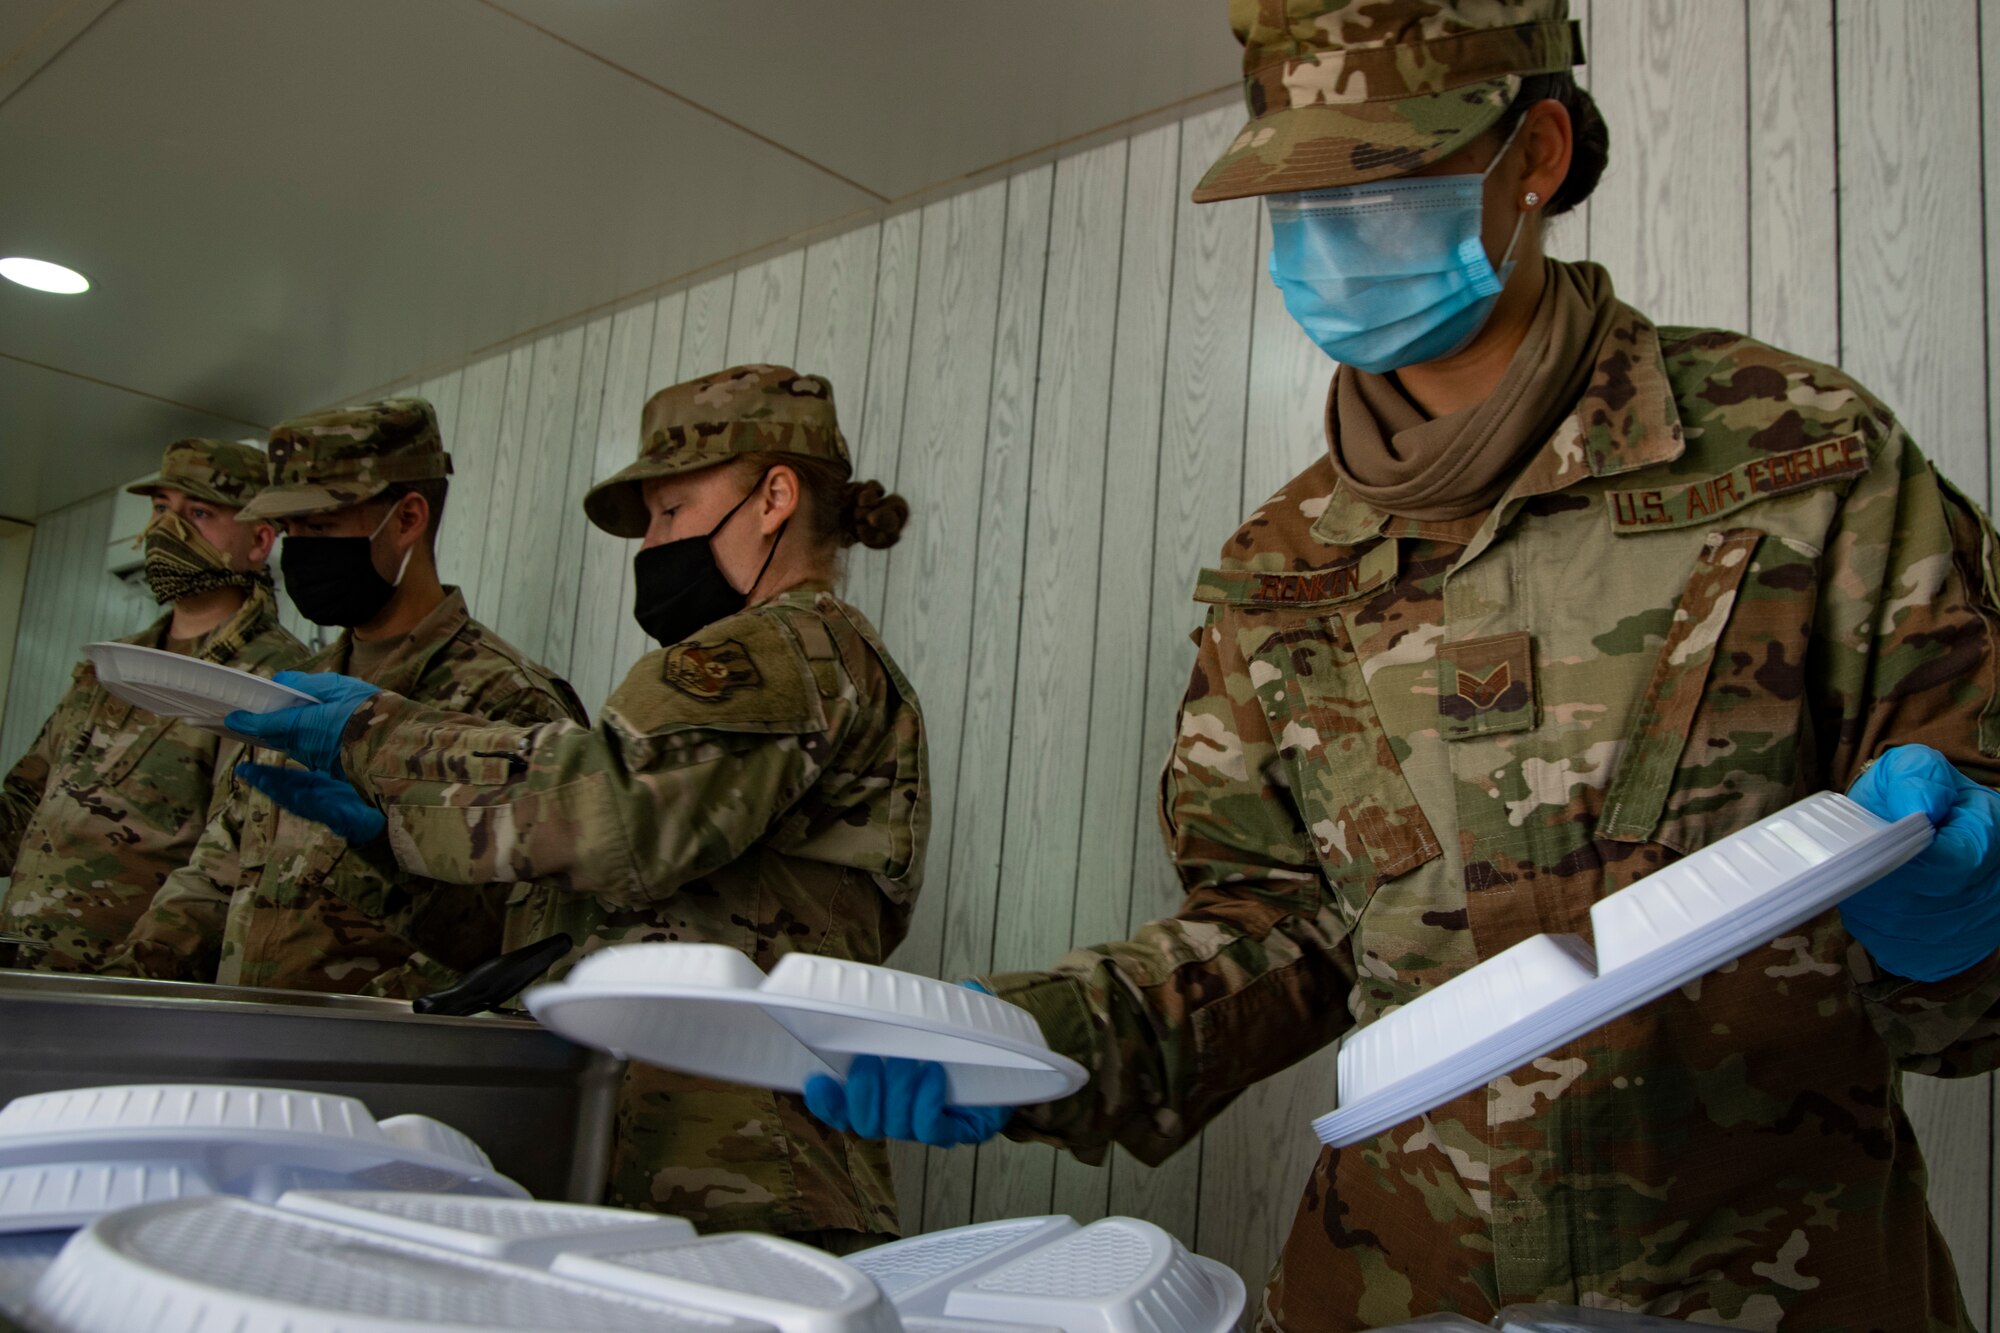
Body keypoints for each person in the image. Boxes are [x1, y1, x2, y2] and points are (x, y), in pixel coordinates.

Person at [796, 2, 2000, 1330]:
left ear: (1531, 152)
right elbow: (1274, 932)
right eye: (1291, 189)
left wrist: (1962, 915)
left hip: (1779, 1288)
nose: (1323, 234)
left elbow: (1964, 873)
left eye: (1374, 175)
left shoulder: (1802, 457)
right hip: (1398, 1293)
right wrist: (1020, 1042)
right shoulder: (1277, 569)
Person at [218, 365, 927, 1252]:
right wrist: (392, 854)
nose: (650, 545)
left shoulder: (783, 648)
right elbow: (562, 931)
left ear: (775, 496)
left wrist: (376, 735)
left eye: (672, 513)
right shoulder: (782, 659)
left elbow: (612, 817)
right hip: (675, 1159)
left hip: (743, 1182)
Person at [108, 399, 585, 997]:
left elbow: (522, 935)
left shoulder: (505, 702)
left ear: (408, 518)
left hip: (377, 1066)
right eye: (291, 531)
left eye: (322, 527)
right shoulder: (289, 690)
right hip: (239, 1047)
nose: (301, 551)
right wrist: (125, 988)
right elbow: (216, 871)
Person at [0, 438, 306, 972]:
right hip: (26, 971)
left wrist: (130, 985)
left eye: (200, 512)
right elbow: (26, 804)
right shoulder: (112, 664)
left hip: (127, 993)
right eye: (162, 508)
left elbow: (231, 863)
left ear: (260, 540)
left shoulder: (277, 679)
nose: (168, 528)